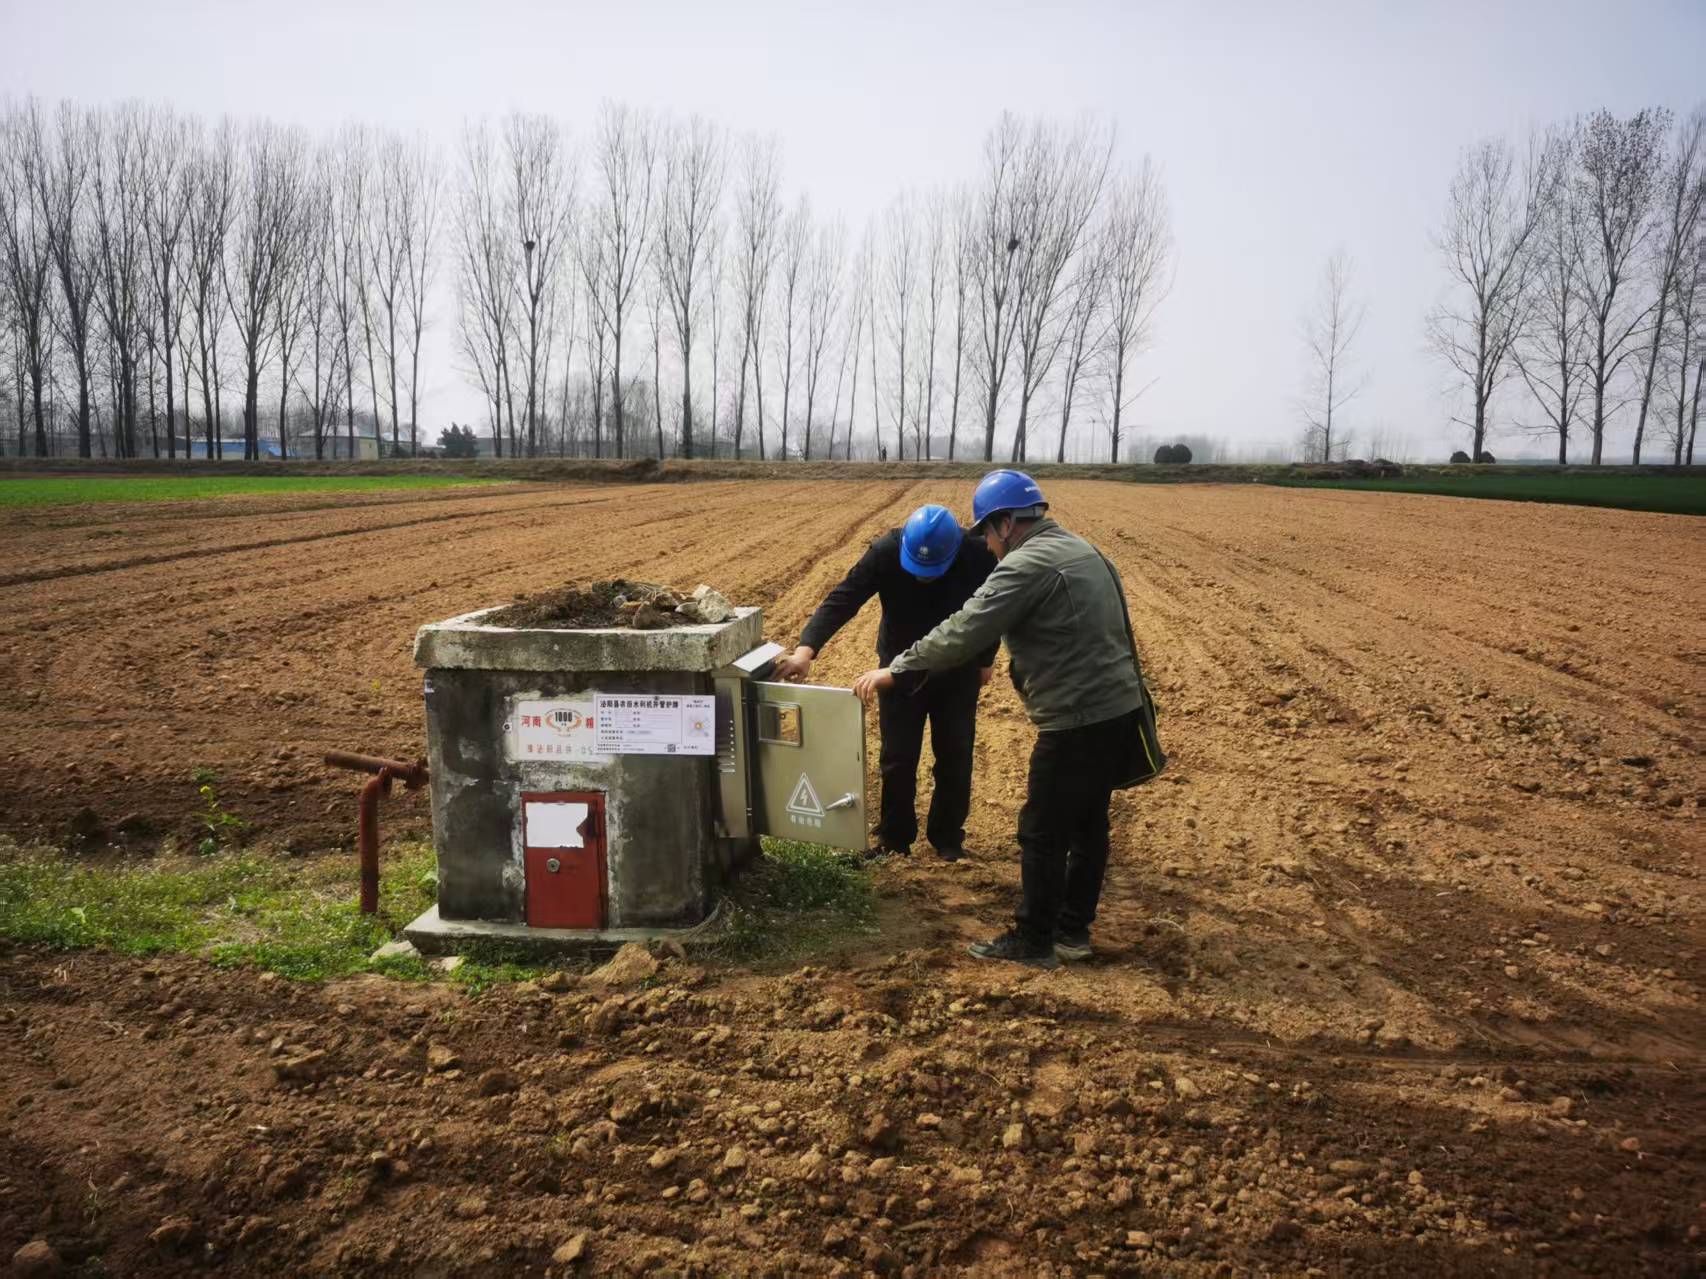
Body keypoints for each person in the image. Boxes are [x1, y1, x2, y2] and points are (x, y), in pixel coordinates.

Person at [852, 470, 1151, 968]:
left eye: (988, 534)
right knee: (1088, 822)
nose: (988, 547)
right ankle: (1073, 932)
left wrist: (897, 669)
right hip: (1119, 706)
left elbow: (966, 630)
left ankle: (1034, 940)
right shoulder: (1084, 550)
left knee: (1042, 828)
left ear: (1007, 523)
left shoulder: (1025, 564)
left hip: (1075, 715)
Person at [775, 503, 997, 861]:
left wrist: (986, 658)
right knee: (898, 756)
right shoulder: (886, 551)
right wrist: (805, 651)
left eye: (932, 570)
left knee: (955, 754)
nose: (924, 577)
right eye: (918, 569)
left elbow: (993, 608)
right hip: (898, 668)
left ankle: (947, 839)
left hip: (958, 666)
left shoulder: (978, 554)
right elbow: (843, 598)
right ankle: (895, 840)